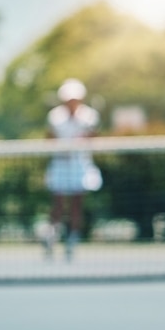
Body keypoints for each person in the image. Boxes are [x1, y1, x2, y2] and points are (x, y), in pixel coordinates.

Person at [42, 78, 101, 261]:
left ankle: (72, 240)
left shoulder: (89, 116)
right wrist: (62, 148)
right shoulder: (55, 116)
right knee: (57, 204)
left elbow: (92, 138)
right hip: (60, 164)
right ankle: (51, 237)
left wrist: (82, 141)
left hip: (80, 165)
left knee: (77, 204)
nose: (72, 103)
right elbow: (49, 139)